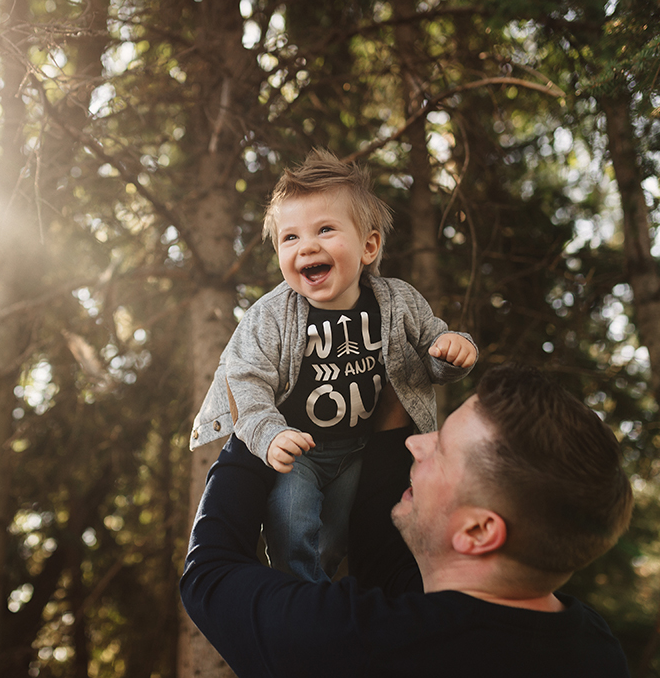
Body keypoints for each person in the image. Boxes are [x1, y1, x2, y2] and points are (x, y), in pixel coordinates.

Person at [181, 364, 634, 678]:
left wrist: (257, 425)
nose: (419, 445)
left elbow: (211, 576)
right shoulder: (592, 647)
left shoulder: (361, 646)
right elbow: (387, 568)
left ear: (478, 531)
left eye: (440, 450)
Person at [189, 149, 476, 582]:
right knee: (291, 523)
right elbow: (244, 379)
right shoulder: (271, 316)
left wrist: (453, 350)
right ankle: (297, 601)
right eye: (290, 238)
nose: (307, 246)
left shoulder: (398, 301)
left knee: (335, 537)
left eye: (325, 230)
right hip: (298, 448)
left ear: (368, 245)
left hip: (358, 449)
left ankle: (325, 596)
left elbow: (433, 353)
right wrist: (270, 435)